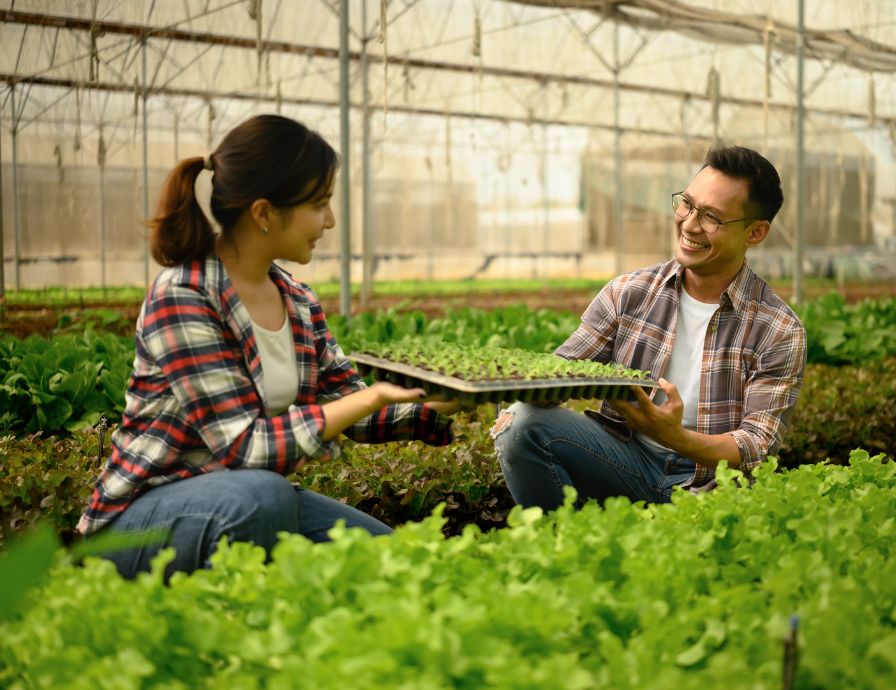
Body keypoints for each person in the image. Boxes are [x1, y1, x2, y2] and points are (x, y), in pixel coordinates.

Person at [78, 114, 459, 579]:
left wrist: (447, 396)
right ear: (263, 213)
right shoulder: (184, 294)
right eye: (319, 205)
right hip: (145, 520)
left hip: (246, 501)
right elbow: (242, 447)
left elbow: (347, 405)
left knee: (400, 565)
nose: (331, 221)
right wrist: (374, 394)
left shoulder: (296, 300)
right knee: (264, 496)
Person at [491, 145, 806, 510]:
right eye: (687, 204)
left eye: (712, 218)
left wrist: (673, 436)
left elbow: (756, 445)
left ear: (755, 233)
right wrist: (474, 388)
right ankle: (567, 550)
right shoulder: (630, 293)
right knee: (520, 423)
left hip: (711, 486)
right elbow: (560, 374)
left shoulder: (778, 328)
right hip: (624, 461)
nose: (689, 224)